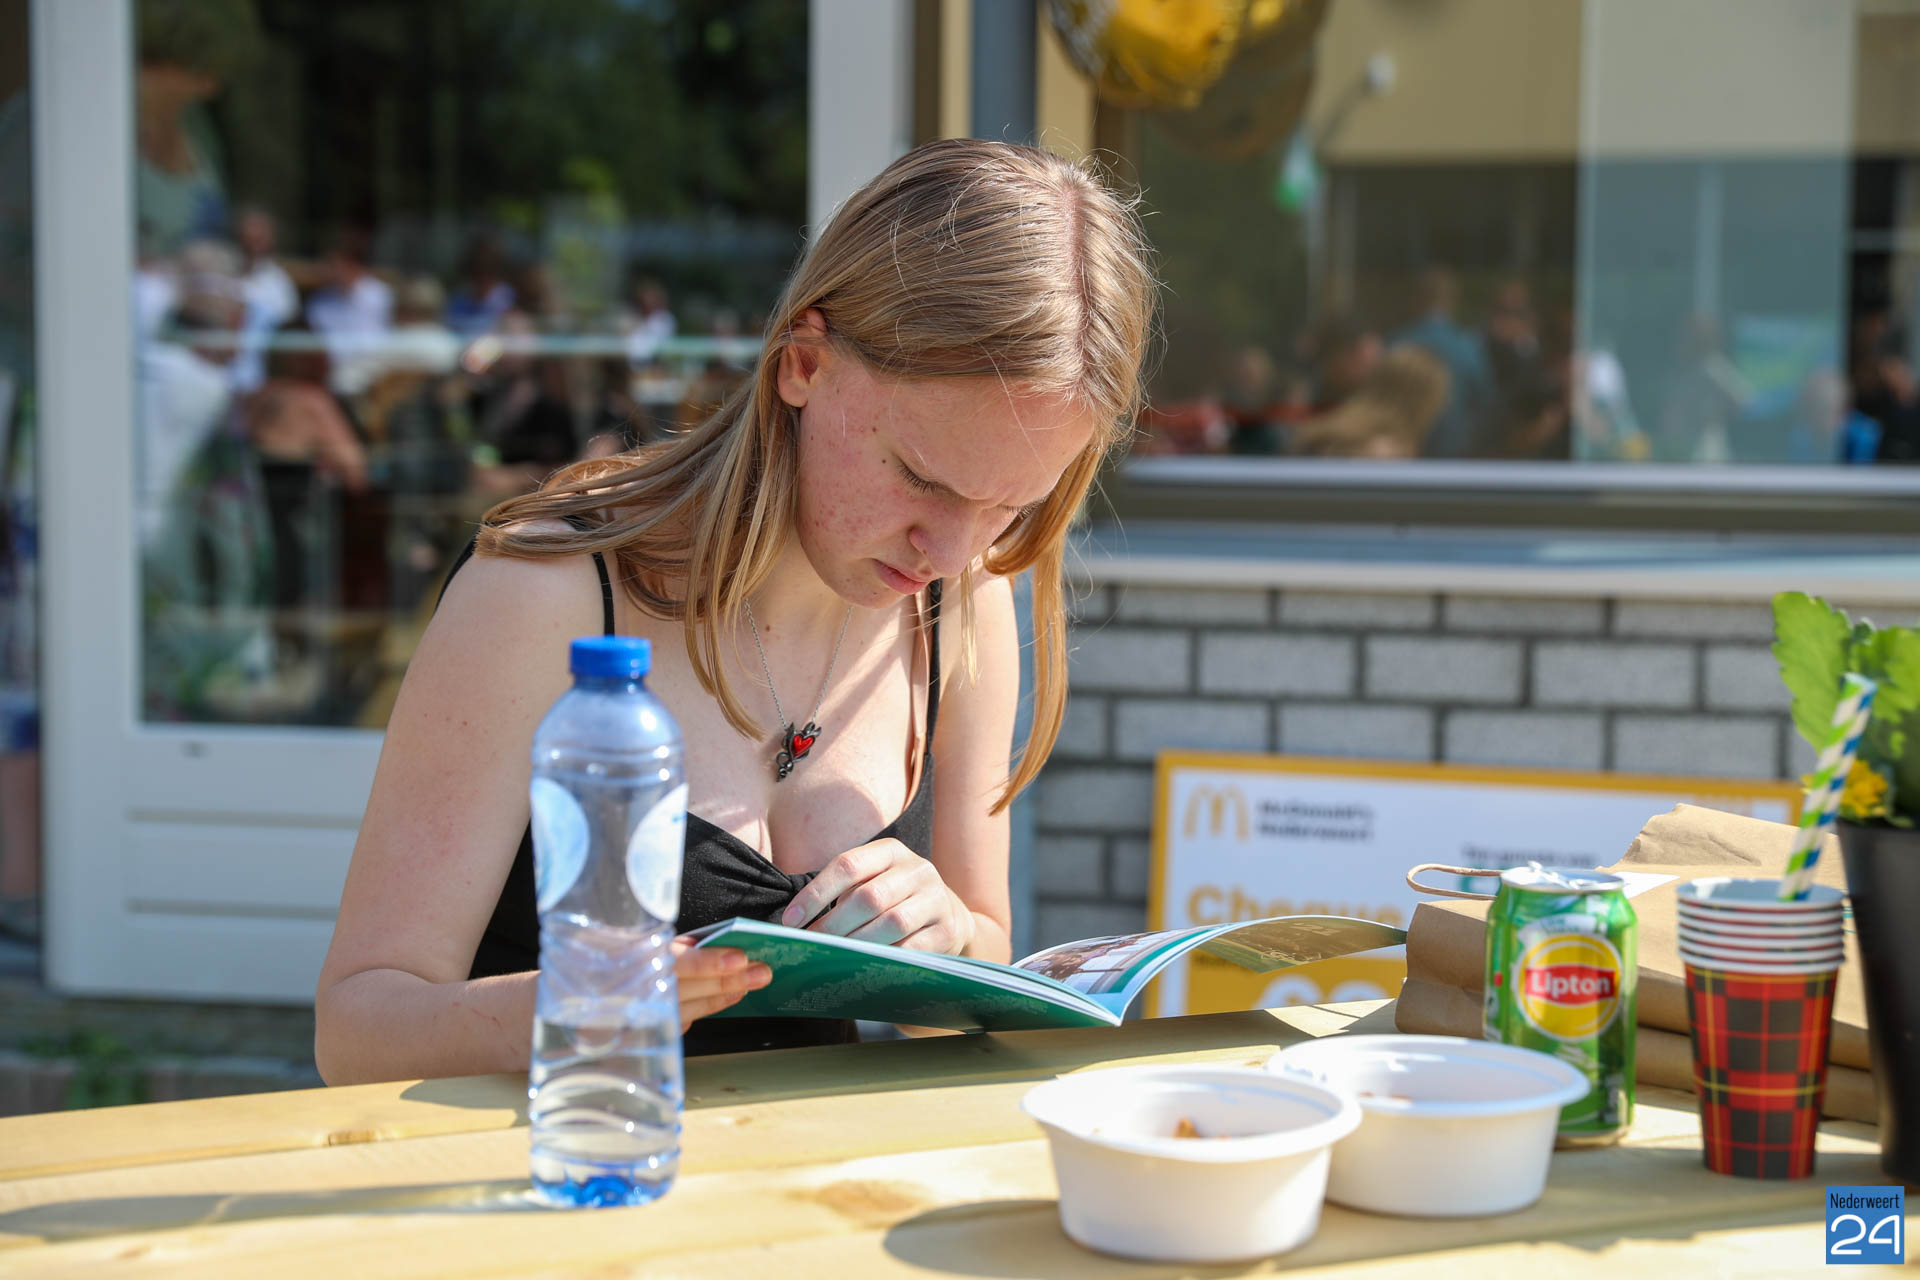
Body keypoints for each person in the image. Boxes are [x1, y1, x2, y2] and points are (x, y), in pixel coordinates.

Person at [313, 139, 1157, 1084]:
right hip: (572, 1157)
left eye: (1010, 507)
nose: (953, 553)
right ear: (803, 363)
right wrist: (594, 1007)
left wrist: (953, 938)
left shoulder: (964, 605)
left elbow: (979, 969)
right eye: (923, 479)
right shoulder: (545, 593)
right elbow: (359, 1028)